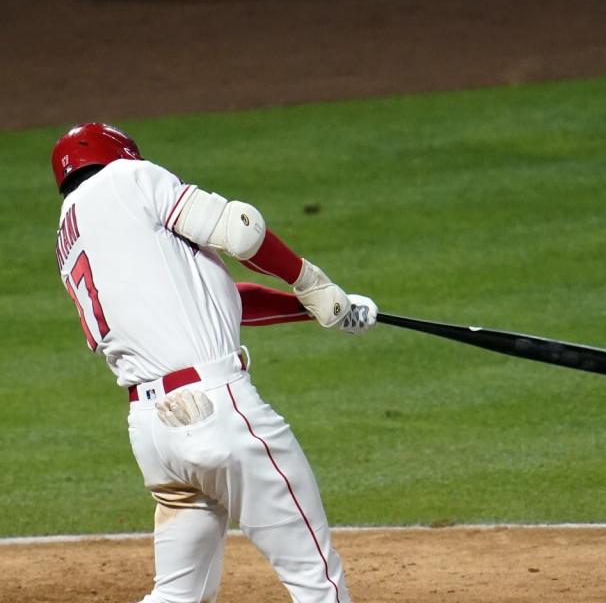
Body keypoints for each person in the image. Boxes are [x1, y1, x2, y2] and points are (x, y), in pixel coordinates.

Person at [51, 122, 374, 603]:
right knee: (317, 582)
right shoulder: (129, 180)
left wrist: (322, 307)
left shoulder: (70, 234)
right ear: (122, 155)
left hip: (154, 436)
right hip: (219, 415)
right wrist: (308, 279)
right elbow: (240, 229)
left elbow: (213, 298)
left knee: (177, 594)